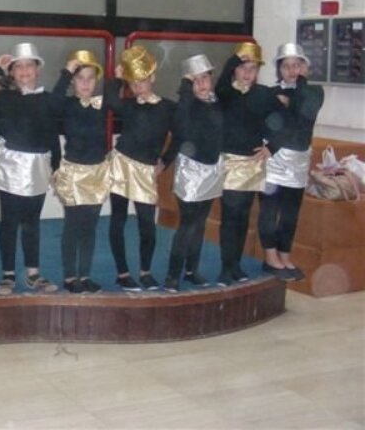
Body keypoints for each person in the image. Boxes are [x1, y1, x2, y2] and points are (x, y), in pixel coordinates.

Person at [0, 42, 61, 295]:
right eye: (18, 67)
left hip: (38, 164)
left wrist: (57, 163)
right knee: (9, 220)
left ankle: (33, 273)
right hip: (12, 163)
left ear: (37, 69)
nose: (24, 71)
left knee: (32, 221)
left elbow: (52, 134)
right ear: (11, 72)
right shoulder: (4, 97)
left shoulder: (47, 99)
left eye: (29, 65)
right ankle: (8, 274)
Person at [105, 45, 175, 291]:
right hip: (122, 164)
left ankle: (145, 271)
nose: (138, 87)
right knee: (118, 219)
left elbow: (179, 136)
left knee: (147, 223)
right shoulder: (129, 104)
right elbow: (110, 99)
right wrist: (117, 77)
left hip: (147, 169)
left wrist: (165, 160)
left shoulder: (167, 107)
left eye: (142, 81)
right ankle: (122, 273)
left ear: (152, 78)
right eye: (133, 83)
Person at [215, 42, 281, 287]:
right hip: (229, 162)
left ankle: (236, 265)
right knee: (229, 216)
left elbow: (284, 123)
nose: (247, 73)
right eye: (243, 68)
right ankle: (226, 267)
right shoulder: (225, 93)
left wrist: (272, 147)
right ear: (234, 69)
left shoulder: (264, 95)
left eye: (253, 69)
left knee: (243, 216)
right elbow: (221, 83)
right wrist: (235, 59)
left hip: (253, 162)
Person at [258, 43, 324, 281]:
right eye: (286, 66)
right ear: (279, 69)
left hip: (298, 160)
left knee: (290, 213)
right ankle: (270, 257)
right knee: (269, 210)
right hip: (274, 158)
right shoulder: (270, 93)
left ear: (305, 67)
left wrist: (295, 93)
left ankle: (285, 256)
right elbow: (275, 125)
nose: (291, 70)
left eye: (297, 65)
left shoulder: (314, 91)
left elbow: (304, 116)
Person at [161, 54, 224, 292]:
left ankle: (191, 270)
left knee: (200, 223)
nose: (201, 84)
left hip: (212, 170)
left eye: (205, 78)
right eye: (194, 80)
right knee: (187, 223)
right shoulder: (186, 106)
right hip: (191, 171)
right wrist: (165, 161)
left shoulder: (217, 103)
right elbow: (179, 132)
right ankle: (172, 274)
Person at [51, 50, 110, 293]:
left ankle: (85, 275)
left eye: (90, 78)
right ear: (73, 82)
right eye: (80, 78)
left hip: (97, 172)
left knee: (90, 226)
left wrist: (118, 77)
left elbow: (122, 101)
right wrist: (66, 72)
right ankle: (69, 276)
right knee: (73, 225)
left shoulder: (102, 104)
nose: (85, 83)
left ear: (96, 81)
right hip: (74, 172)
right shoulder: (66, 105)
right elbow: (53, 102)